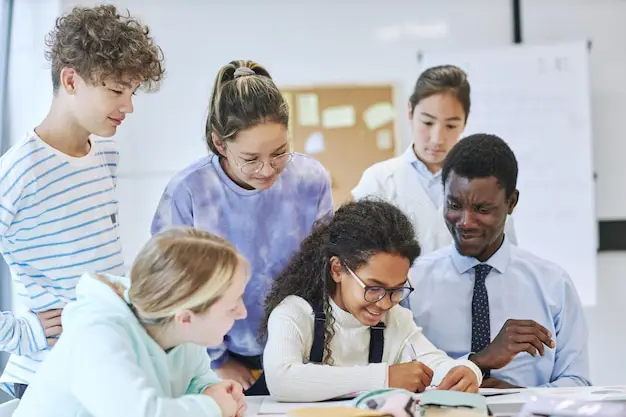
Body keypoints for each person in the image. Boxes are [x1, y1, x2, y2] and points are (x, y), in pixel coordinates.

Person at [0, 4, 164, 397]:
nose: (128, 106)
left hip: (105, 366)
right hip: (46, 378)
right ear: (71, 80)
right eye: (115, 90)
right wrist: (24, 333)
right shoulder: (17, 173)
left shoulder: (106, 154)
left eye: (133, 91)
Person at [151, 60, 333, 395]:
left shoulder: (310, 179)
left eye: (280, 153)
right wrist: (217, 360)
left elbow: (323, 268)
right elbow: (172, 289)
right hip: (213, 355)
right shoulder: (189, 191)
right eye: (250, 159)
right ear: (219, 144)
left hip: (299, 345)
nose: (267, 170)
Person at [407, 134, 590, 388]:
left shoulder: (553, 284)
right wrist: (478, 363)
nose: (466, 222)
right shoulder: (412, 283)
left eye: (482, 210)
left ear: (511, 203)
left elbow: (577, 381)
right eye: (454, 205)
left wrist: (518, 396)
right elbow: (400, 375)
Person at [261, 199, 482, 402]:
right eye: (374, 288)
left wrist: (468, 371)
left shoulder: (396, 320)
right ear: (337, 269)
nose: (385, 304)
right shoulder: (294, 313)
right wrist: (385, 377)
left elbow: (436, 364)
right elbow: (282, 380)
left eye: (397, 290)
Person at [14, 228, 249, 417]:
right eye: (232, 306)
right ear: (185, 317)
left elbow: (195, 380)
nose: (243, 313)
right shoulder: (97, 335)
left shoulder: (180, 330)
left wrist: (213, 391)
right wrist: (213, 407)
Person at [352, 65, 516, 254]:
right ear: (410, 112)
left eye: (451, 125)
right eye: (428, 122)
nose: (437, 138)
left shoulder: (487, 182)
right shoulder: (379, 180)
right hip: (403, 284)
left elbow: (506, 256)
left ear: (465, 121)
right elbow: (360, 256)